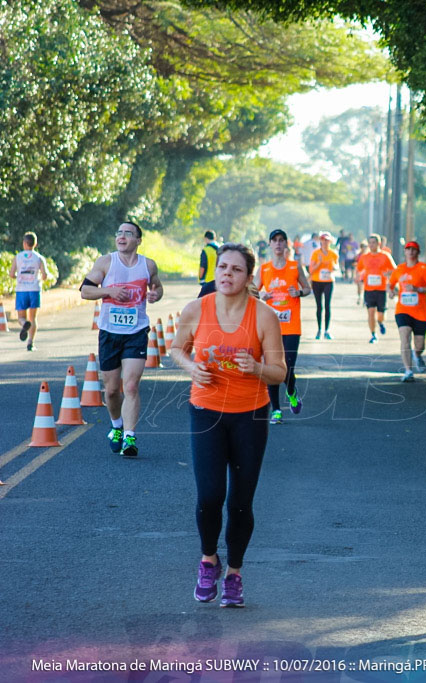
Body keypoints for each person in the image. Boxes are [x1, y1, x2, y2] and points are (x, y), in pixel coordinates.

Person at [169, 243, 287, 608]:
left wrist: (257, 370)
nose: (227, 274)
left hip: (250, 416)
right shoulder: (197, 309)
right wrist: (193, 369)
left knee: (239, 502)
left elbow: (280, 371)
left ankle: (234, 573)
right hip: (206, 412)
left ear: (249, 278)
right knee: (209, 496)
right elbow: (176, 349)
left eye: (236, 269)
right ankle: (208, 560)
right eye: (222, 267)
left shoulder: (264, 316)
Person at [80, 221, 164, 457]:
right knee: (111, 390)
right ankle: (116, 425)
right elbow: (85, 291)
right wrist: (109, 291)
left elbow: (157, 287)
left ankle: (129, 436)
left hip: (136, 332)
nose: (122, 236)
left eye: (128, 233)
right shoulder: (106, 262)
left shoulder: (148, 265)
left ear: (138, 240)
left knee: (131, 385)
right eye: (119, 232)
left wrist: (156, 294)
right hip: (109, 333)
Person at [258, 229, 311, 424]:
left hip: (291, 327)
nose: (278, 244)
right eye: (275, 240)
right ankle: (277, 410)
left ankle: (291, 391)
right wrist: (260, 295)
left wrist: (298, 292)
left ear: (286, 244)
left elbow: (307, 288)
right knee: (273, 367)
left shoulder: (295, 267)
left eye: (281, 240)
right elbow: (252, 290)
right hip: (271, 327)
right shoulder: (263, 269)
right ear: (270, 244)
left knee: (288, 367)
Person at [388, 241, 426, 382]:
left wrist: (418, 289)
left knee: (420, 344)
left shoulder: (423, 268)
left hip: (420, 312)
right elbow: (390, 284)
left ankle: (417, 355)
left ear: (418, 252)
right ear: (404, 252)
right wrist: (390, 292)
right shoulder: (399, 269)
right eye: (408, 249)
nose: (410, 252)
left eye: (413, 249)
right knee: (405, 338)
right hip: (402, 310)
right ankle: (408, 371)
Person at [8, 231, 50, 351]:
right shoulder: (39, 258)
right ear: (35, 244)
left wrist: (19, 277)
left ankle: (23, 324)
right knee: (33, 318)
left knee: (21, 317)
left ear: (24, 243)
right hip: (34, 289)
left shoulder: (18, 257)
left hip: (21, 290)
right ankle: (30, 343)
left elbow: (11, 274)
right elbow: (45, 275)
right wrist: (39, 278)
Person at [356, 234, 396, 343]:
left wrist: (387, 273)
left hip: (381, 289)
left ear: (378, 243)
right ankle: (373, 334)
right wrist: (359, 278)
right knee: (370, 312)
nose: (371, 245)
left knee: (381, 314)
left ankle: (381, 323)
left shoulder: (385, 256)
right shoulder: (364, 257)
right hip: (369, 289)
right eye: (370, 243)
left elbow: (395, 269)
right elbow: (359, 269)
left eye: (373, 243)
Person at [308, 231, 340, 340]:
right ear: (320, 241)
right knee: (319, 306)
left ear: (330, 241)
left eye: (327, 240)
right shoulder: (315, 253)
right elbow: (311, 270)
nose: (325, 242)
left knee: (327, 305)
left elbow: (336, 267)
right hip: (317, 281)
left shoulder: (333, 254)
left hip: (328, 281)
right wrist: (319, 263)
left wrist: (334, 267)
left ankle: (327, 330)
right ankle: (319, 330)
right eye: (323, 240)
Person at [197, 230, 220, 297]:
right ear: (215, 238)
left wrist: (200, 278)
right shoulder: (221, 249)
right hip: (219, 280)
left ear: (205, 239)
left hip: (208, 281)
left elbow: (202, 266)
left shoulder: (206, 250)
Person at [354, 239, 369, 305]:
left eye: (365, 246)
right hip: (360, 273)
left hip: (366, 273)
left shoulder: (369, 255)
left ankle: (365, 300)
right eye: (363, 246)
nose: (364, 248)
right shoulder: (359, 255)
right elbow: (356, 263)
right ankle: (359, 297)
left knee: (366, 287)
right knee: (359, 286)